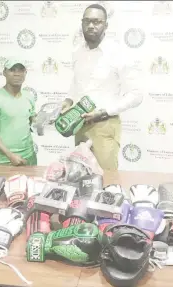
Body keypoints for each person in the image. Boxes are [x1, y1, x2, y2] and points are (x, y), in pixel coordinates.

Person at [61, 4, 143, 171]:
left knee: (105, 179)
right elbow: (77, 82)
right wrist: (68, 101)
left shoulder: (118, 53)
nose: (91, 26)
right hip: (79, 124)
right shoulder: (77, 52)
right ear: (82, 23)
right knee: (80, 176)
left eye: (97, 22)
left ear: (106, 25)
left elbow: (136, 95)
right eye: (87, 21)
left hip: (104, 125)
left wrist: (105, 112)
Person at [0, 58, 37, 166]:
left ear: (25, 73)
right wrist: (9, 155)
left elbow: (30, 120)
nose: (17, 74)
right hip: (6, 160)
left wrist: (44, 118)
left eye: (20, 70)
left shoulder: (29, 96)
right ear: (4, 72)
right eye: (12, 70)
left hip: (30, 156)